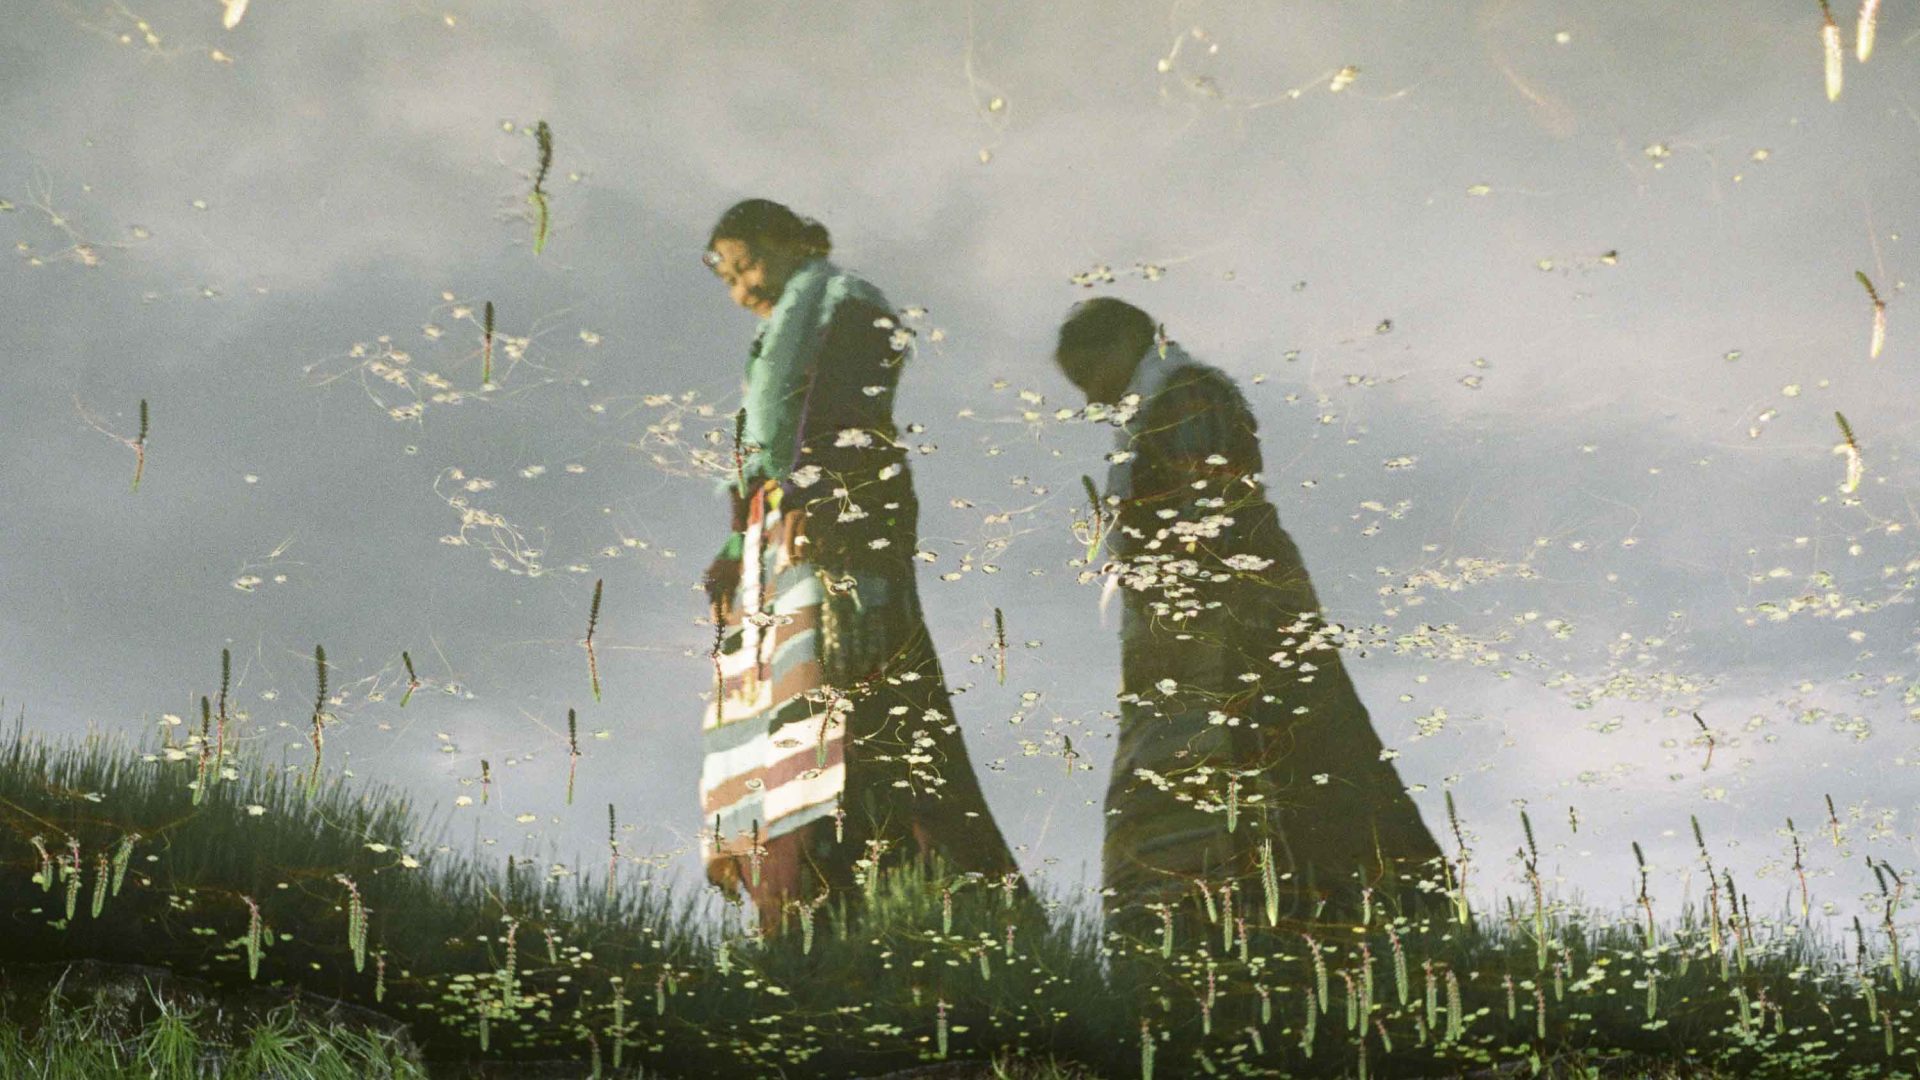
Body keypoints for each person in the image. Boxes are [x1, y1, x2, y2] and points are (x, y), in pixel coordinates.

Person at [1050, 297, 1443, 938]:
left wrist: (1188, 608)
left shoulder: (1186, 396)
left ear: (1125, 343)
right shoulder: (1168, 400)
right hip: (1216, 610)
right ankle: (1300, 915)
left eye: (1092, 373)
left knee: (1271, 750)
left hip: (1231, 613)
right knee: (1282, 752)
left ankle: (1255, 918)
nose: (1093, 396)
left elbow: (1206, 512)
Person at [698, 199, 1023, 931]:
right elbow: (759, 456)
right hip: (778, 535)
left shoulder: (847, 304)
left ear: (791, 243)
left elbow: (847, 412)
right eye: (727, 276)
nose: (740, 288)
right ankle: (802, 912)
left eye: (746, 264)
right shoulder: (778, 333)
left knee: (847, 689)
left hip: (835, 518)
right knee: (783, 712)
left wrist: (818, 488)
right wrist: (732, 552)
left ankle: (873, 898)